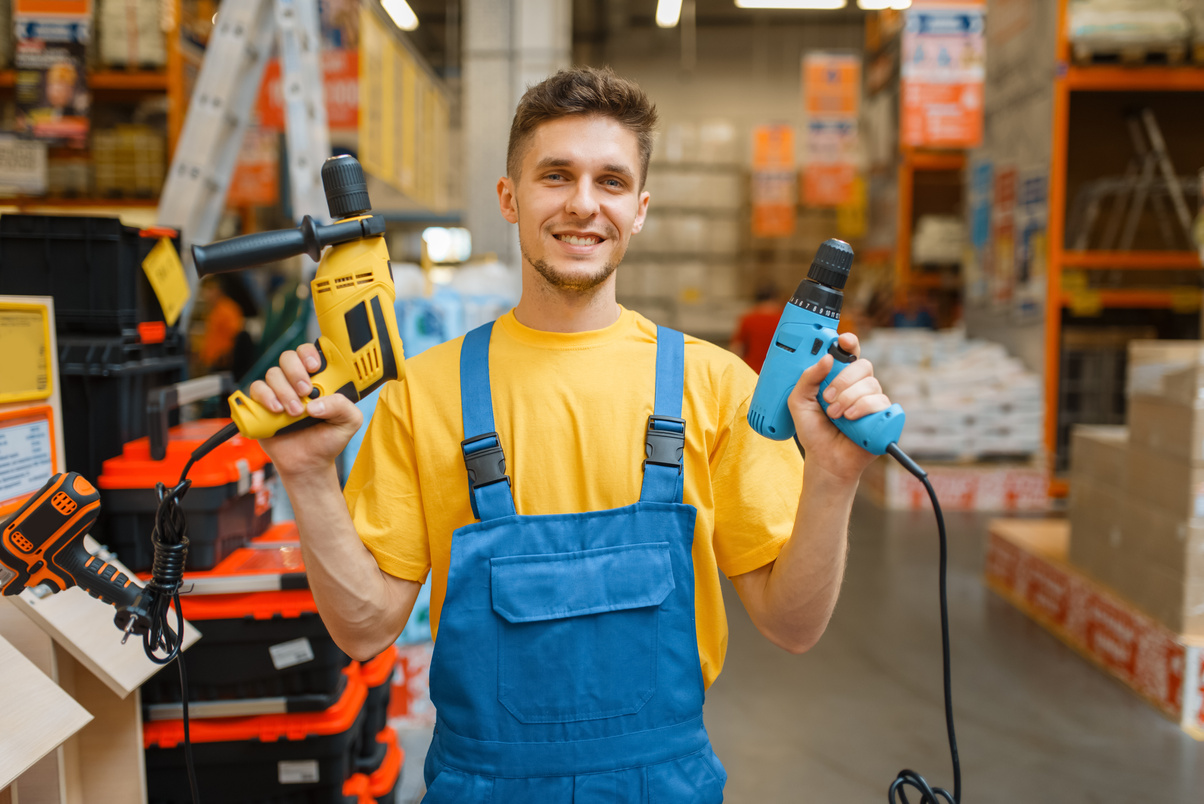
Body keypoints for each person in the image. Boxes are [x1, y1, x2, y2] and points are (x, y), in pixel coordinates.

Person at [250, 67, 893, 802]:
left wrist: (835, 479)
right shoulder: (419, 393)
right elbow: (365, 630)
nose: (584, 204)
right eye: (556, 176)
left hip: (662, 785)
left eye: (611, 181)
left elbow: (793, 624)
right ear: (509, 197)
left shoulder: (715, 388)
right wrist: (306, 475)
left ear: (641, 208)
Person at [728, 281, 782, 373]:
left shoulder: (748, 319)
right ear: (776, 298)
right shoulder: (783, 320)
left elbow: (737, 349)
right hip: (775, 371)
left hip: (751, 371)